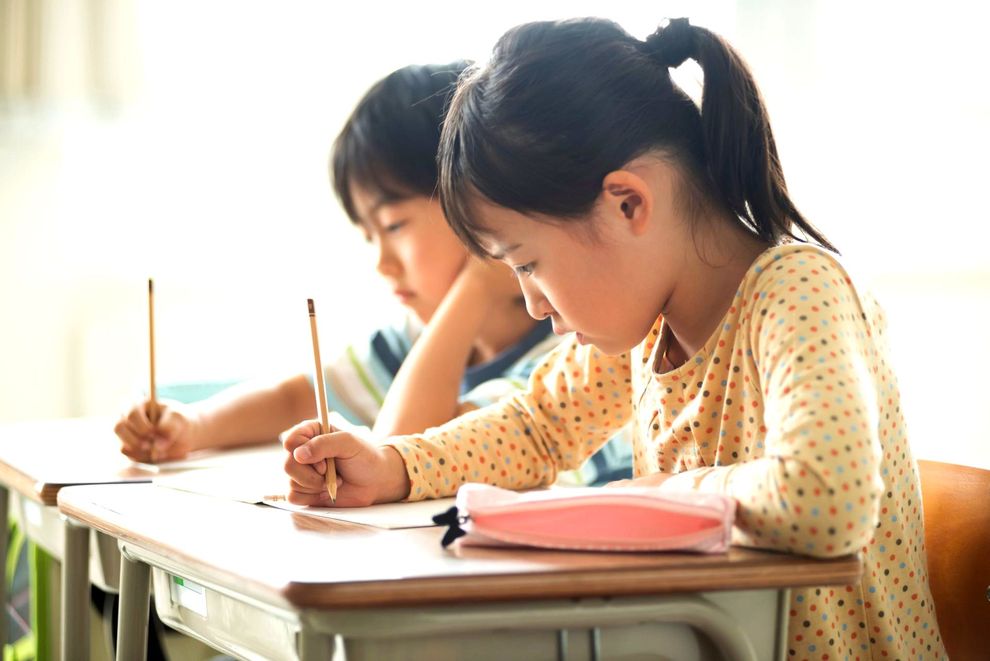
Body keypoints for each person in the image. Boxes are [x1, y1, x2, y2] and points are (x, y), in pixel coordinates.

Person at [281, 18, 946, 659]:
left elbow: (826, 499)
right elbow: (537, 428)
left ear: (628, 203)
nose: (532, 302)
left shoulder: (796, 291)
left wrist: (651, 499)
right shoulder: (646, 331)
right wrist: (392, 466)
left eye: (527, 262)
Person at [114, 61, 631, 486]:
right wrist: (193, 426)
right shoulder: (412, 340)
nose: (382, 261)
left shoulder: (572, 343)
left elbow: (411, 448)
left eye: (394, 225)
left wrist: (473, 286)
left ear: (474, 205)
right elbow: (300, 396)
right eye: (370, 235)